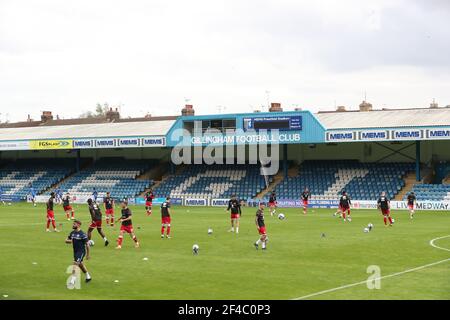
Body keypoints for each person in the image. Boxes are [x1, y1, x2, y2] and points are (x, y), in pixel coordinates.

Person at [65, 220, 92, 284]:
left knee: (75, 264)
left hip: (81, 252)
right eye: (73, 224)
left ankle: (72, 280)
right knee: (80, 265)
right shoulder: (72, 233)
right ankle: (88, 276)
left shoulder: (83, 234)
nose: (73, 225)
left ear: (78, 225)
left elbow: (87, 245)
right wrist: (70, 241)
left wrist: (88, 255)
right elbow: (66, 240)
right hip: (75, 252)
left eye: (74, 224)